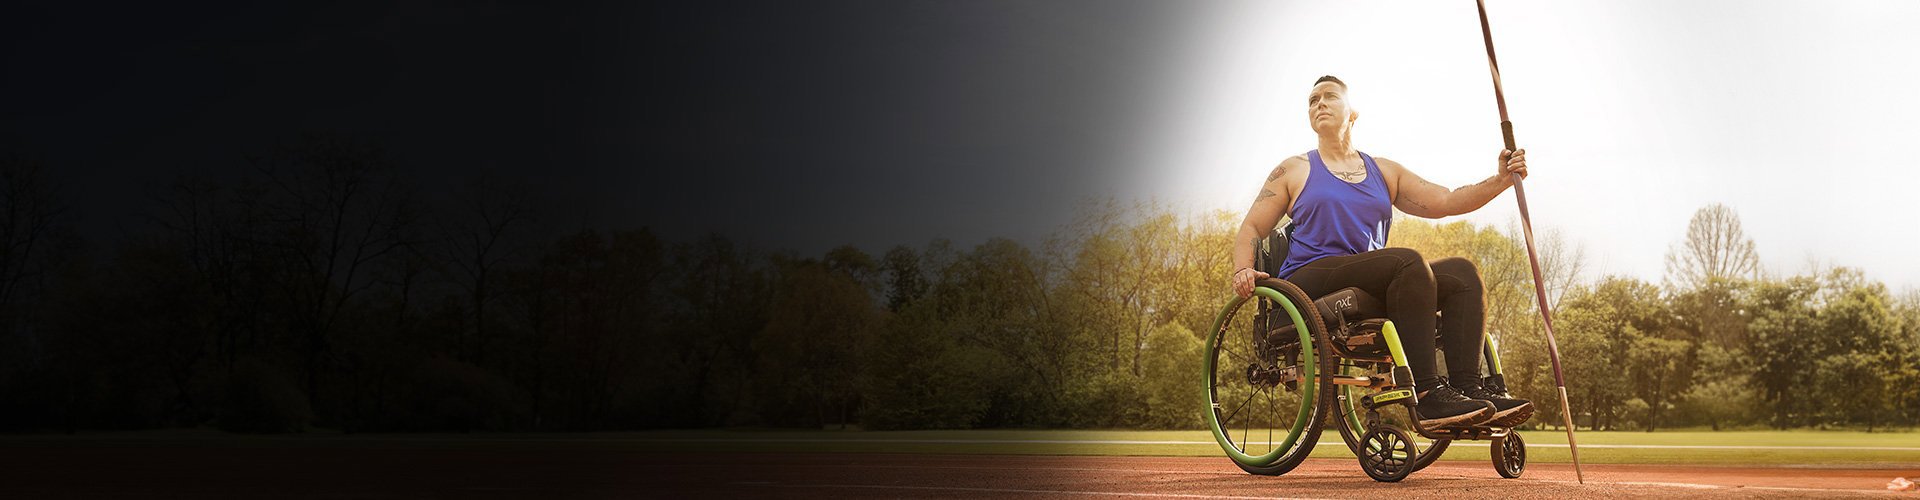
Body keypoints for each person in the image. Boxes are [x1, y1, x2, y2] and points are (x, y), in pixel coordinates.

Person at [1229, 75, 1533, 428]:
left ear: (1353, 113)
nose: (1320, 104)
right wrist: (1242, 269)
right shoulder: (1294, 169)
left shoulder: (1384, 171)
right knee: (1407, 261)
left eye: (1329, 97)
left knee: (1462, 273)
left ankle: (1471, 390)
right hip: (1309, 280)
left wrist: (1501, 180)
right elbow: (1251, 228)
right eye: (1313, 101)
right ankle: (1428, 395)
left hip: (1370, 279)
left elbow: (1447, 201)